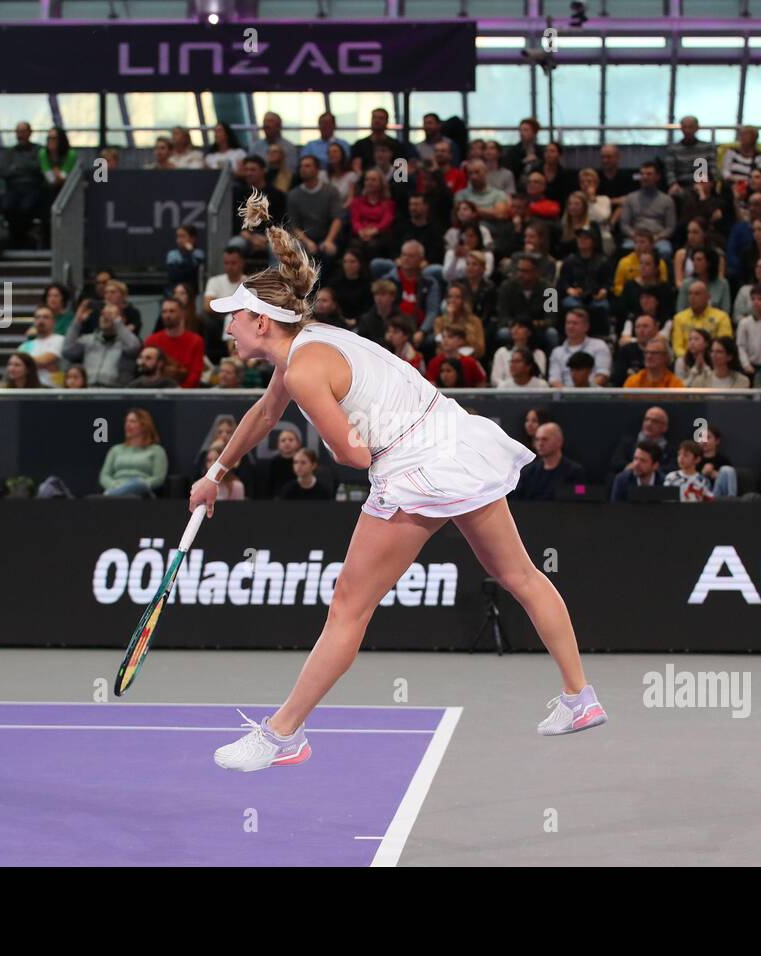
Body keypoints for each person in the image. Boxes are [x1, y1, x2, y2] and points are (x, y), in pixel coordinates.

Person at [196, 190, 605, 771]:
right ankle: (579, 697)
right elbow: (264, 415)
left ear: (262, 321)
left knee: (347, 609)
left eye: (233, 318)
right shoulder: (311, 347)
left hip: (417, 466)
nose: (229, 329)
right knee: (519, 574)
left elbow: (356, 458)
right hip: (456, 439)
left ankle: (283, 734)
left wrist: (360, 443)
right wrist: (216, 472)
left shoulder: (308, 370)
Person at [61, 303, 140, 386]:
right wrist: (77, 322)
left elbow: (134, 347)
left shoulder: (126, 341)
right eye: (103, 314)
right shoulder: (88, 340)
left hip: (116, 392)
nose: (105, 317)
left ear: (122, 320)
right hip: (89, 391)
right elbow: (67, 351)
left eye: (110, 314)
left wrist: (117, 323)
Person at [99, 409, 168, 498]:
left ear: (144, 425)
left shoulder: (156, 450)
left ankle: (111, 495)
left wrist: (143, 484)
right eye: (126, 421)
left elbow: (158, 478)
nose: (127, 424)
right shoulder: (115, 450)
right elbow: (104, 476)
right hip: (116, 487)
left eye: (132, 421)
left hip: (141, 492)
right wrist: (115, 485)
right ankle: (116, 493)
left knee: (138, 484)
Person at [513, 422, 586, 501]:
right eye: (537, 439)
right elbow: (517, 498)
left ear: (559, 441)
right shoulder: (528, 472)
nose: (540, 444)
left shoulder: (575, 471)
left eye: (545, 439)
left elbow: (582, 492)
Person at [143, 297, 205, 388]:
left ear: (182, 313)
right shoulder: (151, 341)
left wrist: (180, 391)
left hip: (185, 394)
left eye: (172, 311)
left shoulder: (196, 341)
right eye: (164, 312)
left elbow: (195, 373)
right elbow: (146, 370)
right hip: (156, 392)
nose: (167, 315)